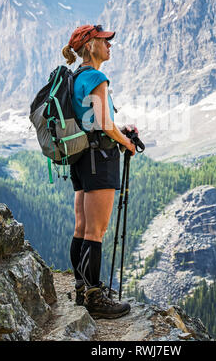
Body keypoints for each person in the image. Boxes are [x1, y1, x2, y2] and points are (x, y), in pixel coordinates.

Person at [62, 24, 138, 319]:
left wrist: (122, 130)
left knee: (82, 227)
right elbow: (104, 124)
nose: (110, 45)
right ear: (89, 45)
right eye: (104, 41)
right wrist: (127, 142)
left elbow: (92, 118)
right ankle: (95, 299)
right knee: (97, 230)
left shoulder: (76, 77)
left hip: (81, 158)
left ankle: (83, 288)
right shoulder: (96, 76)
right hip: (100, 158)